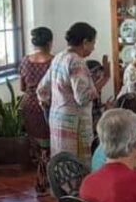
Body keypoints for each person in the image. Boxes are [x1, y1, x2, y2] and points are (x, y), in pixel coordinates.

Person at [37, 22, 110, 167]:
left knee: (61, 163)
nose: (93, 48)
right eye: (93, 43)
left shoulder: (59, 57)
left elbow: (42, 90)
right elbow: (82, 98)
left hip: (57, 120)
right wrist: (104, 78)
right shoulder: (76, 62)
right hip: (75, 124)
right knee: (77, 166)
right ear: (85, 42)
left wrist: (50, 110)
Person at [19, 26, 54, 195]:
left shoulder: (25, 61)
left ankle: (41, 179)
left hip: (29, 104)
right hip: (47, 105)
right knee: (48, 144)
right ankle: (46, 180)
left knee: (38, 146)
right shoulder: (54, 61)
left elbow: (22, 87)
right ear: (50, 42)